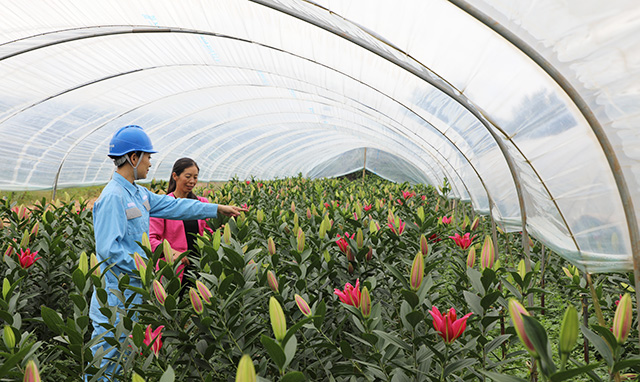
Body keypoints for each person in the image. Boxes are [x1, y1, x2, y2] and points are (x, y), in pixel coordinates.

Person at [88, 125, 247, 380]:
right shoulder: (113, 197)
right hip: (116, 298)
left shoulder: (139, 194)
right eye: (148, 157)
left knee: (130, 360)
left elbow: (176, 206)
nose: (150, 163)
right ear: (133, 158)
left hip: (137, 293)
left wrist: (216, 208)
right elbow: (109, 250)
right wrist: (150, 268)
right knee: (108, 362)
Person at [149, 157, 212, 286]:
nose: (192, 181)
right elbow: (151, 239)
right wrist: (172, 252)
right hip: (173, 269)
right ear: (175, 176)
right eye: (188, 176)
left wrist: (219, 232)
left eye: (195, 177)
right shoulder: (163, 205)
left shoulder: (202, 203)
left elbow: (208, 232)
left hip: (200, 268)